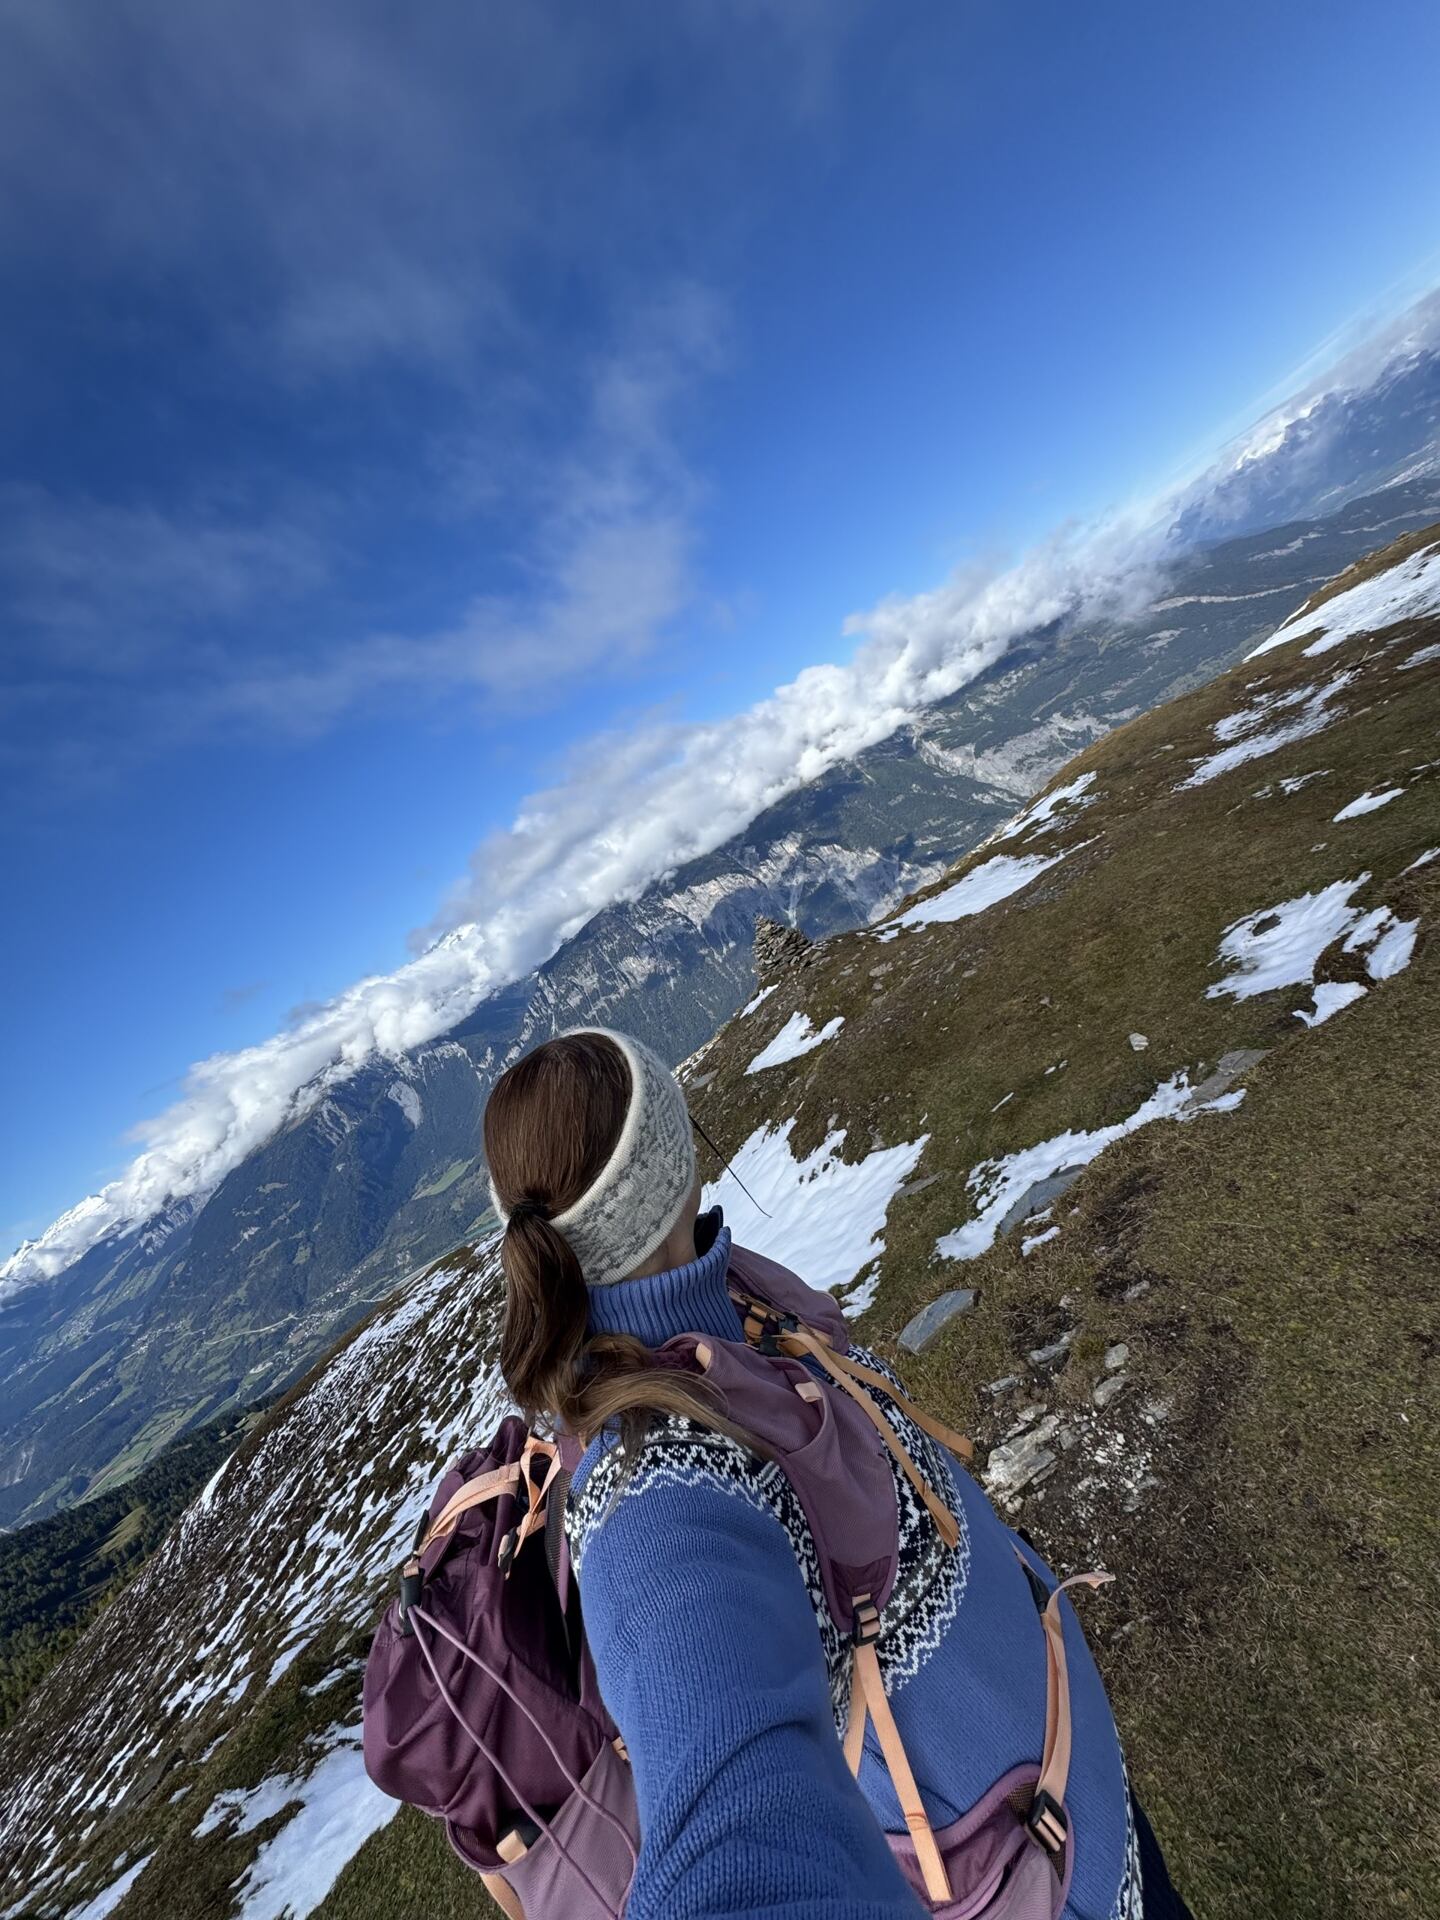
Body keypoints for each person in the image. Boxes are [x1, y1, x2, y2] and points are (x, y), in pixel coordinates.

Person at [482, 1025, 1191, 1920]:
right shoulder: (651, 1492)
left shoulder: (736, 1305)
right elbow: (730, 1836)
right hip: (1050, 1873)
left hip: (1064, 1779)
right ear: (670, 1166)